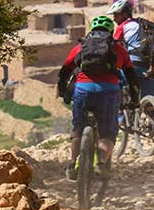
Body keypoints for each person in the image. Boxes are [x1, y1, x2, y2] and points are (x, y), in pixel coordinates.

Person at [56, 15, 142, 175]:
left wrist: (62, 92)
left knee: (78, 128)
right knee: (108, 132)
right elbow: (132, 78)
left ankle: (72, 164)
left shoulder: (80, 48)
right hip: (108, 90)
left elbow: (64, 72)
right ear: (111, 31)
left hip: (83, 89)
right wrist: (135, 100)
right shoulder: (119, 50)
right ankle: (100, 163)